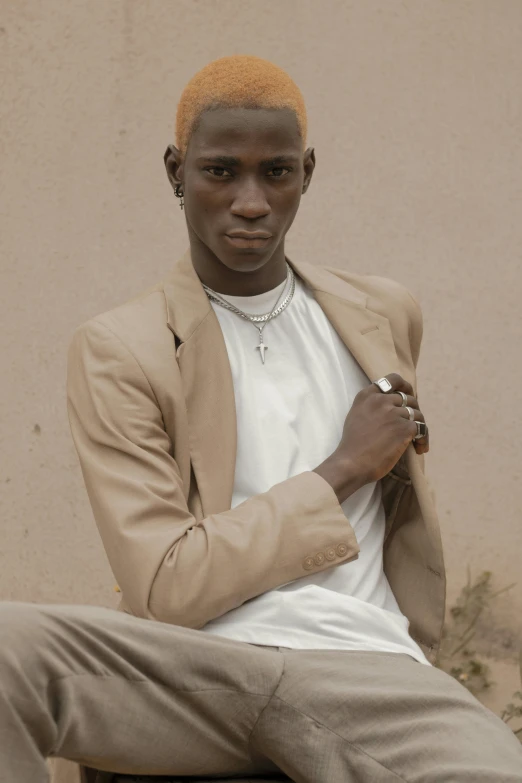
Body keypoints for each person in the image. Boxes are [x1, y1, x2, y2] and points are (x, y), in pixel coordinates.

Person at [1, 55, 521, 783]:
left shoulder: (384, 315)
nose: (251, 201)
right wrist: (341, 469)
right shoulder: (123, 347)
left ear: (306, 172)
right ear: (176, 171)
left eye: (275, 172)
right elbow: (166, 584)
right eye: (221, 171)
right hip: (196, 670)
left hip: (370, 668)